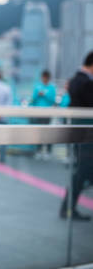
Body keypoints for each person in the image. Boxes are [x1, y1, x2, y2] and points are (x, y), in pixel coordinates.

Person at [60, 51, 93, 221]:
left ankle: (67, 207)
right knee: (82, 172)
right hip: (86, 135)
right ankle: (68, 208)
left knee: (81, 172)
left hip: (78, 133)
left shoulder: (74, 80)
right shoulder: (86, 82)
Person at [30, 70, 56, 158]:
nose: (44, 79)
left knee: (47, 132)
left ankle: (48, 151)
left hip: (48, 112)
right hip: (38, 112)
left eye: (46, 77)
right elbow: (33, 99)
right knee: (39, 132)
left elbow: (52, 100)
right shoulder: (37, 87)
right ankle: (39, 150)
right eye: (43, 77)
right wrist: (38, 95)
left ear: (48, 78)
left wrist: (44, 95)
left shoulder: (52, 88)